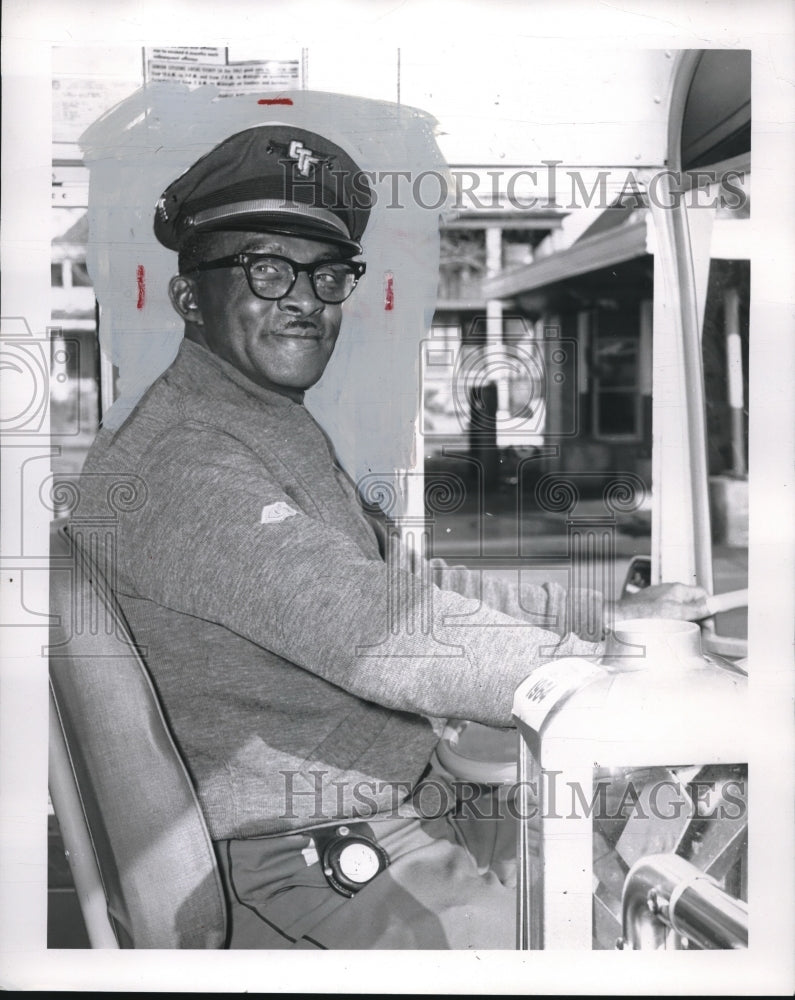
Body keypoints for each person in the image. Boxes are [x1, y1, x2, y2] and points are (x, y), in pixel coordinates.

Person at [78, 123, 709, 949]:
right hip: (310, 857)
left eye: (327, 273)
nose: (304, 298)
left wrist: (607, 622)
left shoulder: (260, 423)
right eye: (266, 269)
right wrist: (602, 676)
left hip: (396, 801)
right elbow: (378, 633)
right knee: (631, 928)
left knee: (680, 814)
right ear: (189, 296)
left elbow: (404, 584)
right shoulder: (182, 464)